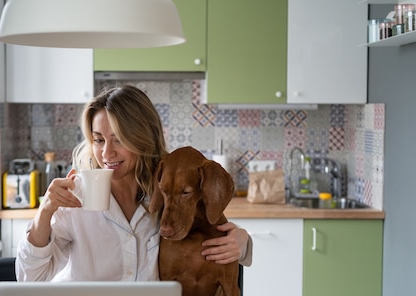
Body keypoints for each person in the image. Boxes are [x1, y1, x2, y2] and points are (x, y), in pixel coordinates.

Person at [15, 85, 252, 282]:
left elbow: (215, 231)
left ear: (143, 139)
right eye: (98, 140)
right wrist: (44, 211)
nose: (107, 153)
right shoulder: (76, 194)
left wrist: (243, 242)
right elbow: (30, 277)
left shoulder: (167, 191)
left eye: (119, 140)